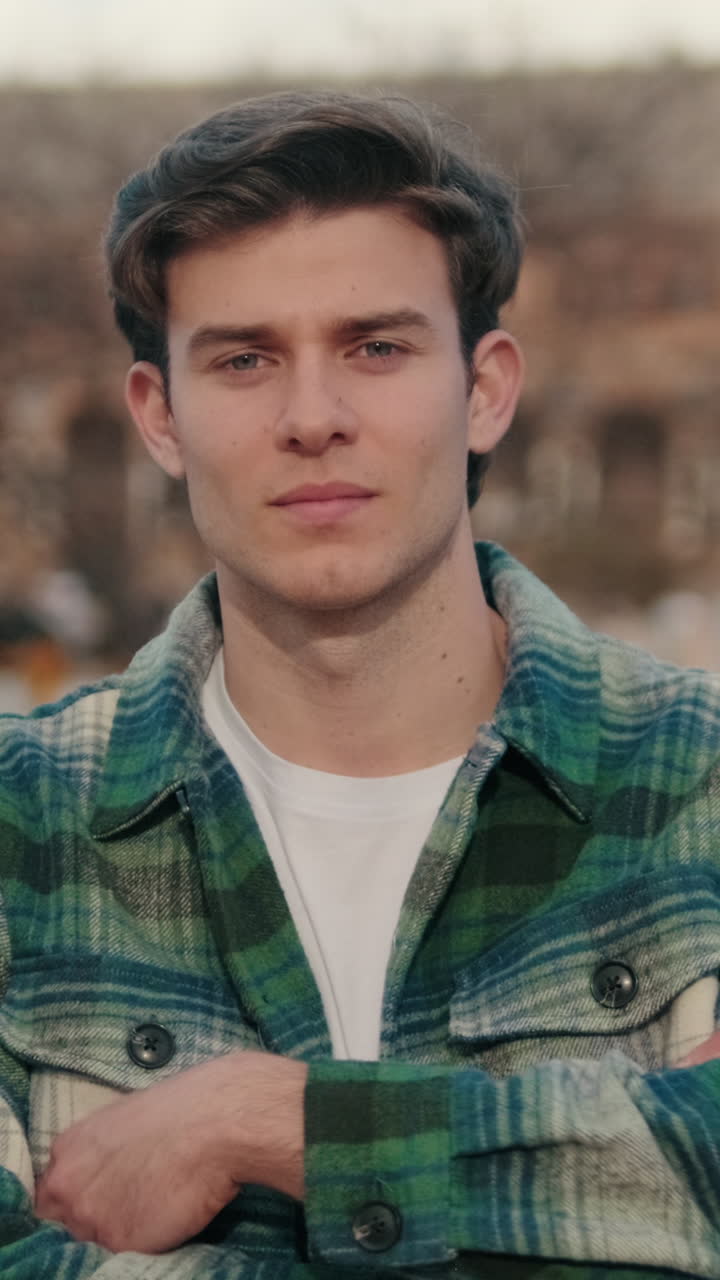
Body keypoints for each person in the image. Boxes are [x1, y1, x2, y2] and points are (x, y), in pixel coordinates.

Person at [0, 90, 719, 1280]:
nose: (313, 418)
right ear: (159, 415)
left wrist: (276, 1123)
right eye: (244, 359)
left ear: (485, 388)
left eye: (377, 347)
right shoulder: (24, 825)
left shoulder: (694, 783)